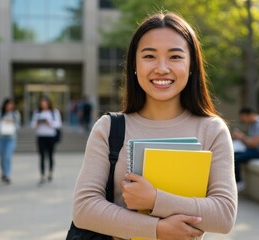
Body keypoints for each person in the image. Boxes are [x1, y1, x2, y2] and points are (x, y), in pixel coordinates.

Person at [72, 12, 237, 239]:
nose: (161, 68)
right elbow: (84, 209)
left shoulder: (212, 130)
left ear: (191, 66)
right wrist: (157, 230)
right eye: (149, 56)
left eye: (175, 57)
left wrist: (155, 200)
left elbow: (224, 215)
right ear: (134, 66)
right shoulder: (108, 128)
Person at [232, 107, 259, 191]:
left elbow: (255, 144)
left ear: (250, 115)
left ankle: (239, 182)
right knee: (232, 156)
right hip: (253, 150)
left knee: (235, 159)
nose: (243, 120)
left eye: (243, 117)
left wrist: (242, 137)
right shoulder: (252, 124)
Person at [30, 96, 62, 186]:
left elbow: (58, 124)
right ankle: (42, 175)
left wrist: (50, 122)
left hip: (51, 137)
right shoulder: (37, 112)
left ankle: (50, 173)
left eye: (45, 102)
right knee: (42, 156)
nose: (43, 104)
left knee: (51, 155)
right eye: (42, 103)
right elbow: (32, 125)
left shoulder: (54, 112)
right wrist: (37, 123)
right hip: (41, 137)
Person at [0, 97, 21, 184]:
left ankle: (7, 174)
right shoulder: (0, 113)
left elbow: (18, 126)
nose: (10, 106)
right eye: (8, 104)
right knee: (2, 157)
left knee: (8, 156)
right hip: (1, 138)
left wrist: (12, 122)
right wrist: (4, 121)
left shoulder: (15, 114)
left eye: (11, 104)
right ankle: (3, 172)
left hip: (11, 138)